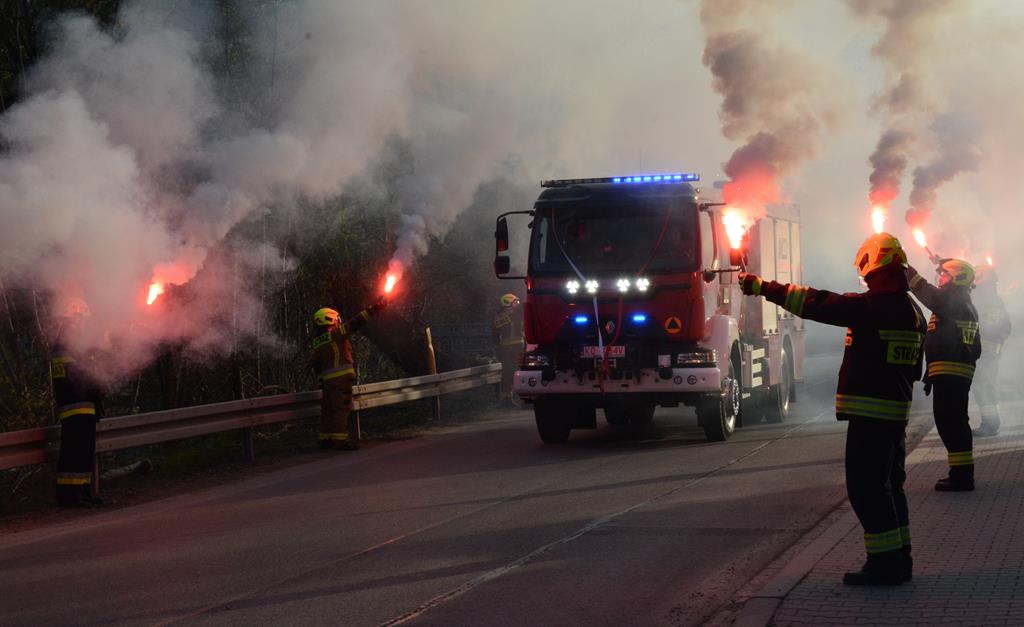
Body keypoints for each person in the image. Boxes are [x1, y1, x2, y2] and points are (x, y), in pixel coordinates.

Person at [739, 232, 924, 586]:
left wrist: (764, 287)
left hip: (871, 417)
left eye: (866, 271)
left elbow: (817, 302)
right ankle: (900, 560)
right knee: (890, 487)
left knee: (867, 490)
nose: (864, 277)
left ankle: (884, 565)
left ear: (874, 264)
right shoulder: (911, 310)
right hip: (893, 415)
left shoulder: (875, 307)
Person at [907, 259, 982, 491]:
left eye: (945, 275)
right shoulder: (960, 301)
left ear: (957, 278)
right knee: (952, 422)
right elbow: (947, 342)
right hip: (952, 373)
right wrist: (933, 371)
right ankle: (960, 473)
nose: (940, 278)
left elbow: (930, 296)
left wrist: (909, 273)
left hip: (953, 374)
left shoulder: (954, 299)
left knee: (951, 423)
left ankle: (962, 477)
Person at [50, 296, 106, 508]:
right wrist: (95, 388)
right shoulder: (63, 347)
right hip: (74, 408)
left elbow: (91, 373)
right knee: (74, 452)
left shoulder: (80, 347)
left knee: (85, 452)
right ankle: (69, 495)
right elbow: (74, 379)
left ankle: (83, 491)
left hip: (85, 407)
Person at [310, 297, 387, 450]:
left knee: (328, 410)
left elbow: (316, 366)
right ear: (330, 320)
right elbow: (355, 323)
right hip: (341, 381)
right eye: (336, 320)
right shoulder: (336, 334)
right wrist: (374, 309)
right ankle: (340, 441)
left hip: (327, 383)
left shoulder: (317, 342)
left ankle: (325, 440)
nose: (338, 322)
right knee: (341, 410)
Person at [971, 264, 1011, 437]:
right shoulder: (994, 298)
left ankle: (990, 424)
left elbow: (998, 327)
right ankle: (991, 422)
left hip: (984, 355)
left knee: (983, 389)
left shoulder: (984, 299)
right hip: (989, 355)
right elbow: (1006, 327)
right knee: (986, 389)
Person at [492, 293, 524, 405]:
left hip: (504, 348)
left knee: (506, 372)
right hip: (517, 346)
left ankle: (506, 398)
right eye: (515, 302)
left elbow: (494, 337)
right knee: (521, 370)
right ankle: (523, 396)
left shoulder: (497, 317)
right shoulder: (516, 313)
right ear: (509, 302)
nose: (517, 304)